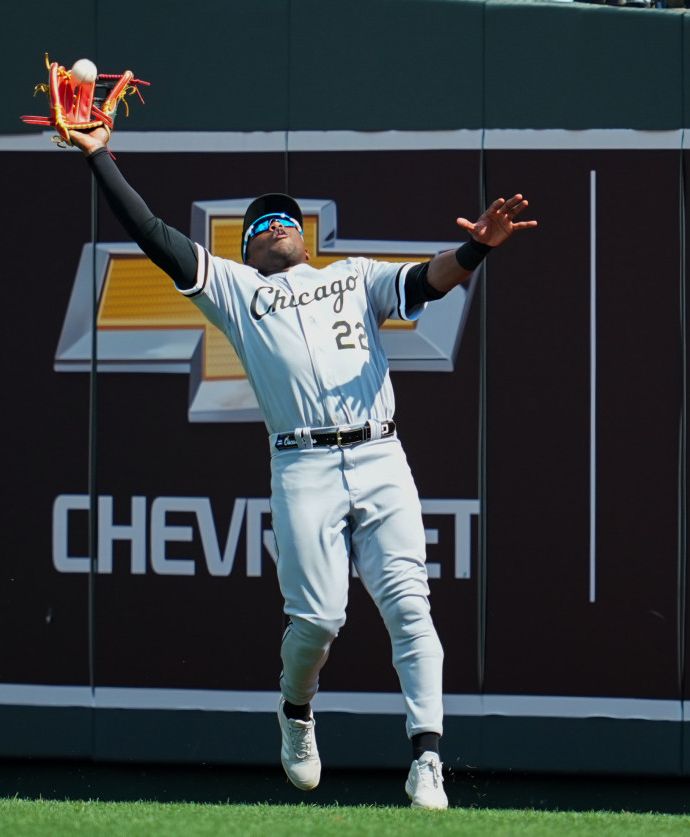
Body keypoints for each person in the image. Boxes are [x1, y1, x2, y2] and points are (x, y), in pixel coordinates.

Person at [67, 126, 536, 810]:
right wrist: (97, 155)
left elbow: (428, 281)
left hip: (379, 453)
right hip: (303, 463)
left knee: (412, 608)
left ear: (304, 236)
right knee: (318, 618)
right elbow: (152, 231)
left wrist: (477, 248)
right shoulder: (234, 290)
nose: (277, 226)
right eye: (262, 224)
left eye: (286, 219)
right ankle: (295, 709)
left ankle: (426, 759)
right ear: (247, 246)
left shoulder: (350, 276)